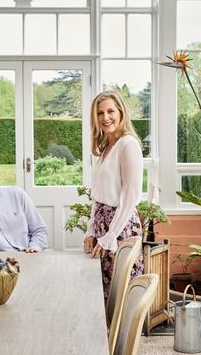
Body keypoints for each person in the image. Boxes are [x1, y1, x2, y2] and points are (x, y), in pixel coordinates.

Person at [83, 91, 144, 298]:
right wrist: (91, 230)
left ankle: (121, 332)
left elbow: (130, 193)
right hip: (102, 227)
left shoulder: (128, 144)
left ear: (121, 112)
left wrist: (111, 235)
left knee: (120, 292)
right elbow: (97, 196)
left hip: (120, 227)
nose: (105, 117)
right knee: (101, 293)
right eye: (100, 113)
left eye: (110, 111)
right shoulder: (107, 147)